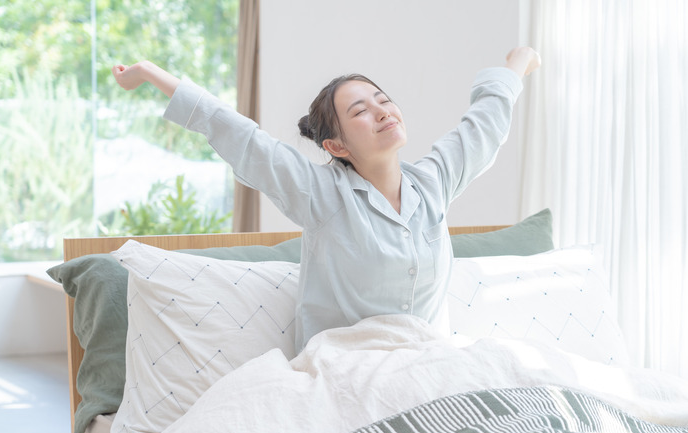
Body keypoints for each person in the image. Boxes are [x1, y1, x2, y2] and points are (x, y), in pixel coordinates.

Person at [112, 47, 541, 352]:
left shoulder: (433, 184)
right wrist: (150, 73)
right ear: (336, 146)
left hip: (429, 365)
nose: (382, 111)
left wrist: (515, 66)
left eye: (383, 100)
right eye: (360, 111)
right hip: (344, 372)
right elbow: (239, 135)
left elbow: (482, 129)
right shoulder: (321, 194)